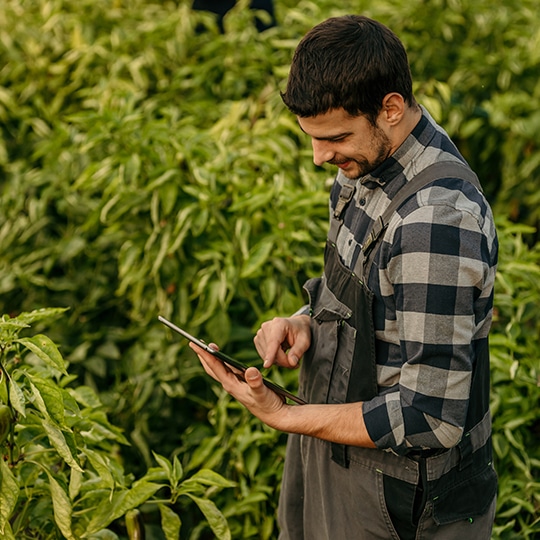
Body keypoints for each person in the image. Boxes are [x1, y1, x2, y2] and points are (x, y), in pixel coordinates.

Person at [190, 15, 498, 539]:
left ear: (391, 108)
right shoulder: (369, 158)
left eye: (334, 138)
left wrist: (285, 416)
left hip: (402, 495)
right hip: (339, 451)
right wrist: (304, 321)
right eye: (312, 138)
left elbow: (430, 417)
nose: (320, 157)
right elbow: (360, 290)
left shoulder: (435, 220)